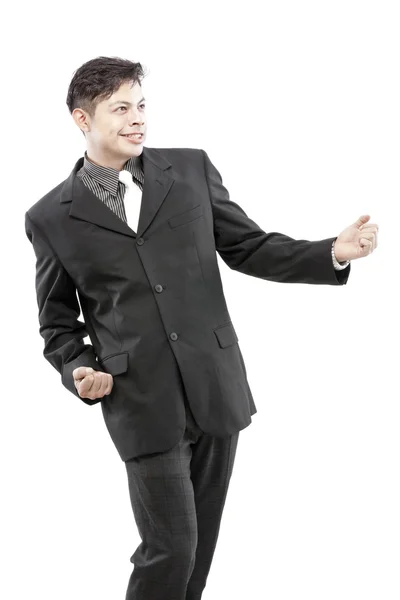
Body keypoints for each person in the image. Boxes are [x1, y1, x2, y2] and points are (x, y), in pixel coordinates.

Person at [24, 56, 378, 600]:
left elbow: (247, 246)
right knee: (171, 548)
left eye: (141, 105)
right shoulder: (50, 217)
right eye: (121, 109)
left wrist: (330, 252)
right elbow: (57, 323)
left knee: (201, 548)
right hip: (140, 398)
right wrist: (80, 367)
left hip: (214, 384)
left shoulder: (189, 170)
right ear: (82, 119)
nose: (137, 118)